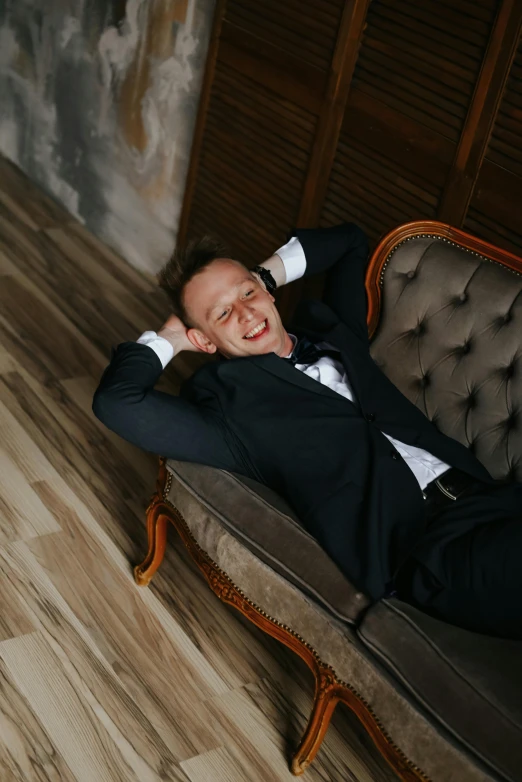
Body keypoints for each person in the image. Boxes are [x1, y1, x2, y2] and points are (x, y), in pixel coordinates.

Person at [93, 223, 522, 639]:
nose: (246, 312)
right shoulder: (228, 414)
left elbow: (350, 241)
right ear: (204, 341)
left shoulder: (333, 330)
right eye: (222, 314)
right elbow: (117, 402)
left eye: (248, 294)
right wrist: (171, 336)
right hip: (430, 546)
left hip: (489, 496)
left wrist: (261, 277)